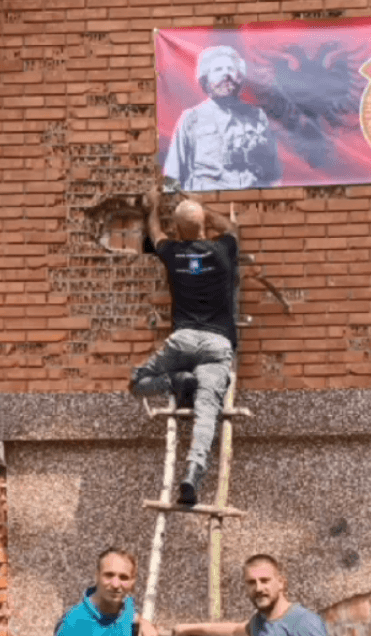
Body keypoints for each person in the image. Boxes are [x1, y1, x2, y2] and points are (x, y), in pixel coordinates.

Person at [129, 188, 239, 505]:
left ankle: (176, 381)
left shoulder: (174, 253)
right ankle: (192, 472)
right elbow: (232, 228)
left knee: (138, 381)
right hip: (217, 344)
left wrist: (152, 206)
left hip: (183, 340)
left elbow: (155, 232)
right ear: (204, 225)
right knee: (207, 411)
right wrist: (199, 206)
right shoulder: (222, 250)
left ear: (179, 230)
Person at [164, 45, 282, 192]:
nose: (226, 74)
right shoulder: (191, 118)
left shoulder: (257, 116)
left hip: (252, 199)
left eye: (231, 69)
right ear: (206, 79)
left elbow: (273, 173)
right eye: (218, 69)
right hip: (208, 201)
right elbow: (172, 174)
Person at [172, 554, 328, 636]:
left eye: (265, 580)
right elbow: (234, 630)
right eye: (251, 582)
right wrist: (187, 628)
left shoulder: (303, 622)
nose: (259, 588)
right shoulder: (259, 623)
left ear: (281, 583)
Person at [55, 547, 157, 636]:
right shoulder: (73, 624)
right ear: (97, 576)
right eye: (109, 575)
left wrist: (144, 622)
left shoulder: (126, 605)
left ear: (132, 582)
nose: (115, 585)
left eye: (123, 577)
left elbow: (129, 614)